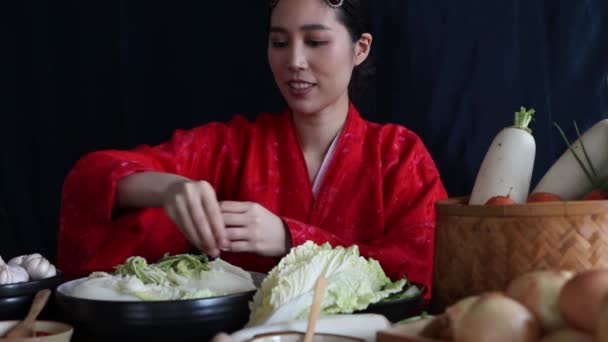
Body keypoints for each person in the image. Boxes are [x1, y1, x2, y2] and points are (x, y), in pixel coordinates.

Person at [57, 0, 447, 294]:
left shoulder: (397, 154)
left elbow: (424, 266)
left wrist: (289, 238)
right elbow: (92, 178)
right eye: (279, 42)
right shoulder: (233, 147)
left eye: (314, 41)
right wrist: (169, 188)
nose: (294, 61)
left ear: (359, 49)